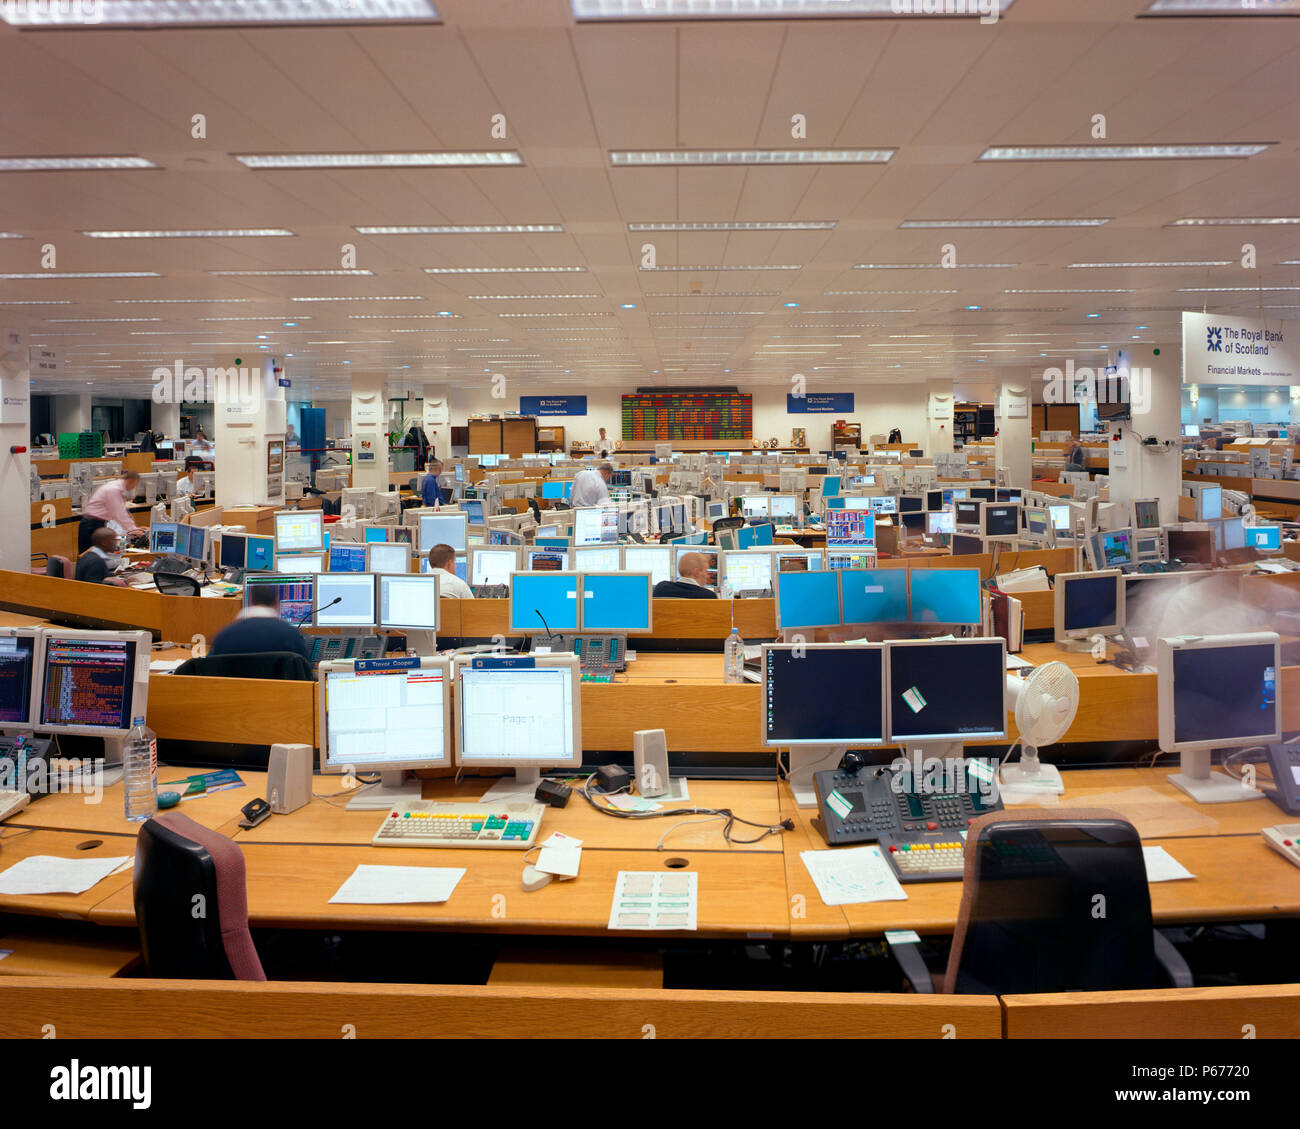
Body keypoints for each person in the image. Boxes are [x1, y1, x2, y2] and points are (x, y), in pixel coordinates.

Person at [209, 585, 311, 662]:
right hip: (278, 690)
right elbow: (306, 673)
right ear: (276, 602)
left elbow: (209, 669)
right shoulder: (291, 634)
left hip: (234, 689)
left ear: (251, 602)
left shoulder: (223, 635)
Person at [79, 470, 142, 554]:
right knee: (88, 554)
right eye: (135, 484)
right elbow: (119, 513)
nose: (134, 487)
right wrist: (133, 530)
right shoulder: (113, 489)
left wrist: (134, 529)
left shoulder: (117, 488)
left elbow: (121, 510)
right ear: (131, 481)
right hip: (91, 524)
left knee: (98, 553)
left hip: (96, 522)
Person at [652, 552, 718, 599]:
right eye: (705, 571)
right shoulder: (708, 596)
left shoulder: (660, 588)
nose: (707, 576)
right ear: (696, 572)